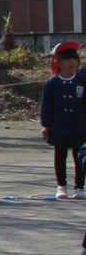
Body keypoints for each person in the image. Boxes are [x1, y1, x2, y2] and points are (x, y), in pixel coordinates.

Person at [42, 41, 86, 199]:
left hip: (80, 125)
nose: (71, 63)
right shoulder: (52, 82)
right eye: (66, 59)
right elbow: (46, 105)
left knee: (79, 157)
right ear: (58, 63)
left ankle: (79, 187)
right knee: (60, 157)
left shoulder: (82, 80)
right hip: (59, 126)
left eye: (74, 59)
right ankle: (61, 186)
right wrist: (46, 125)